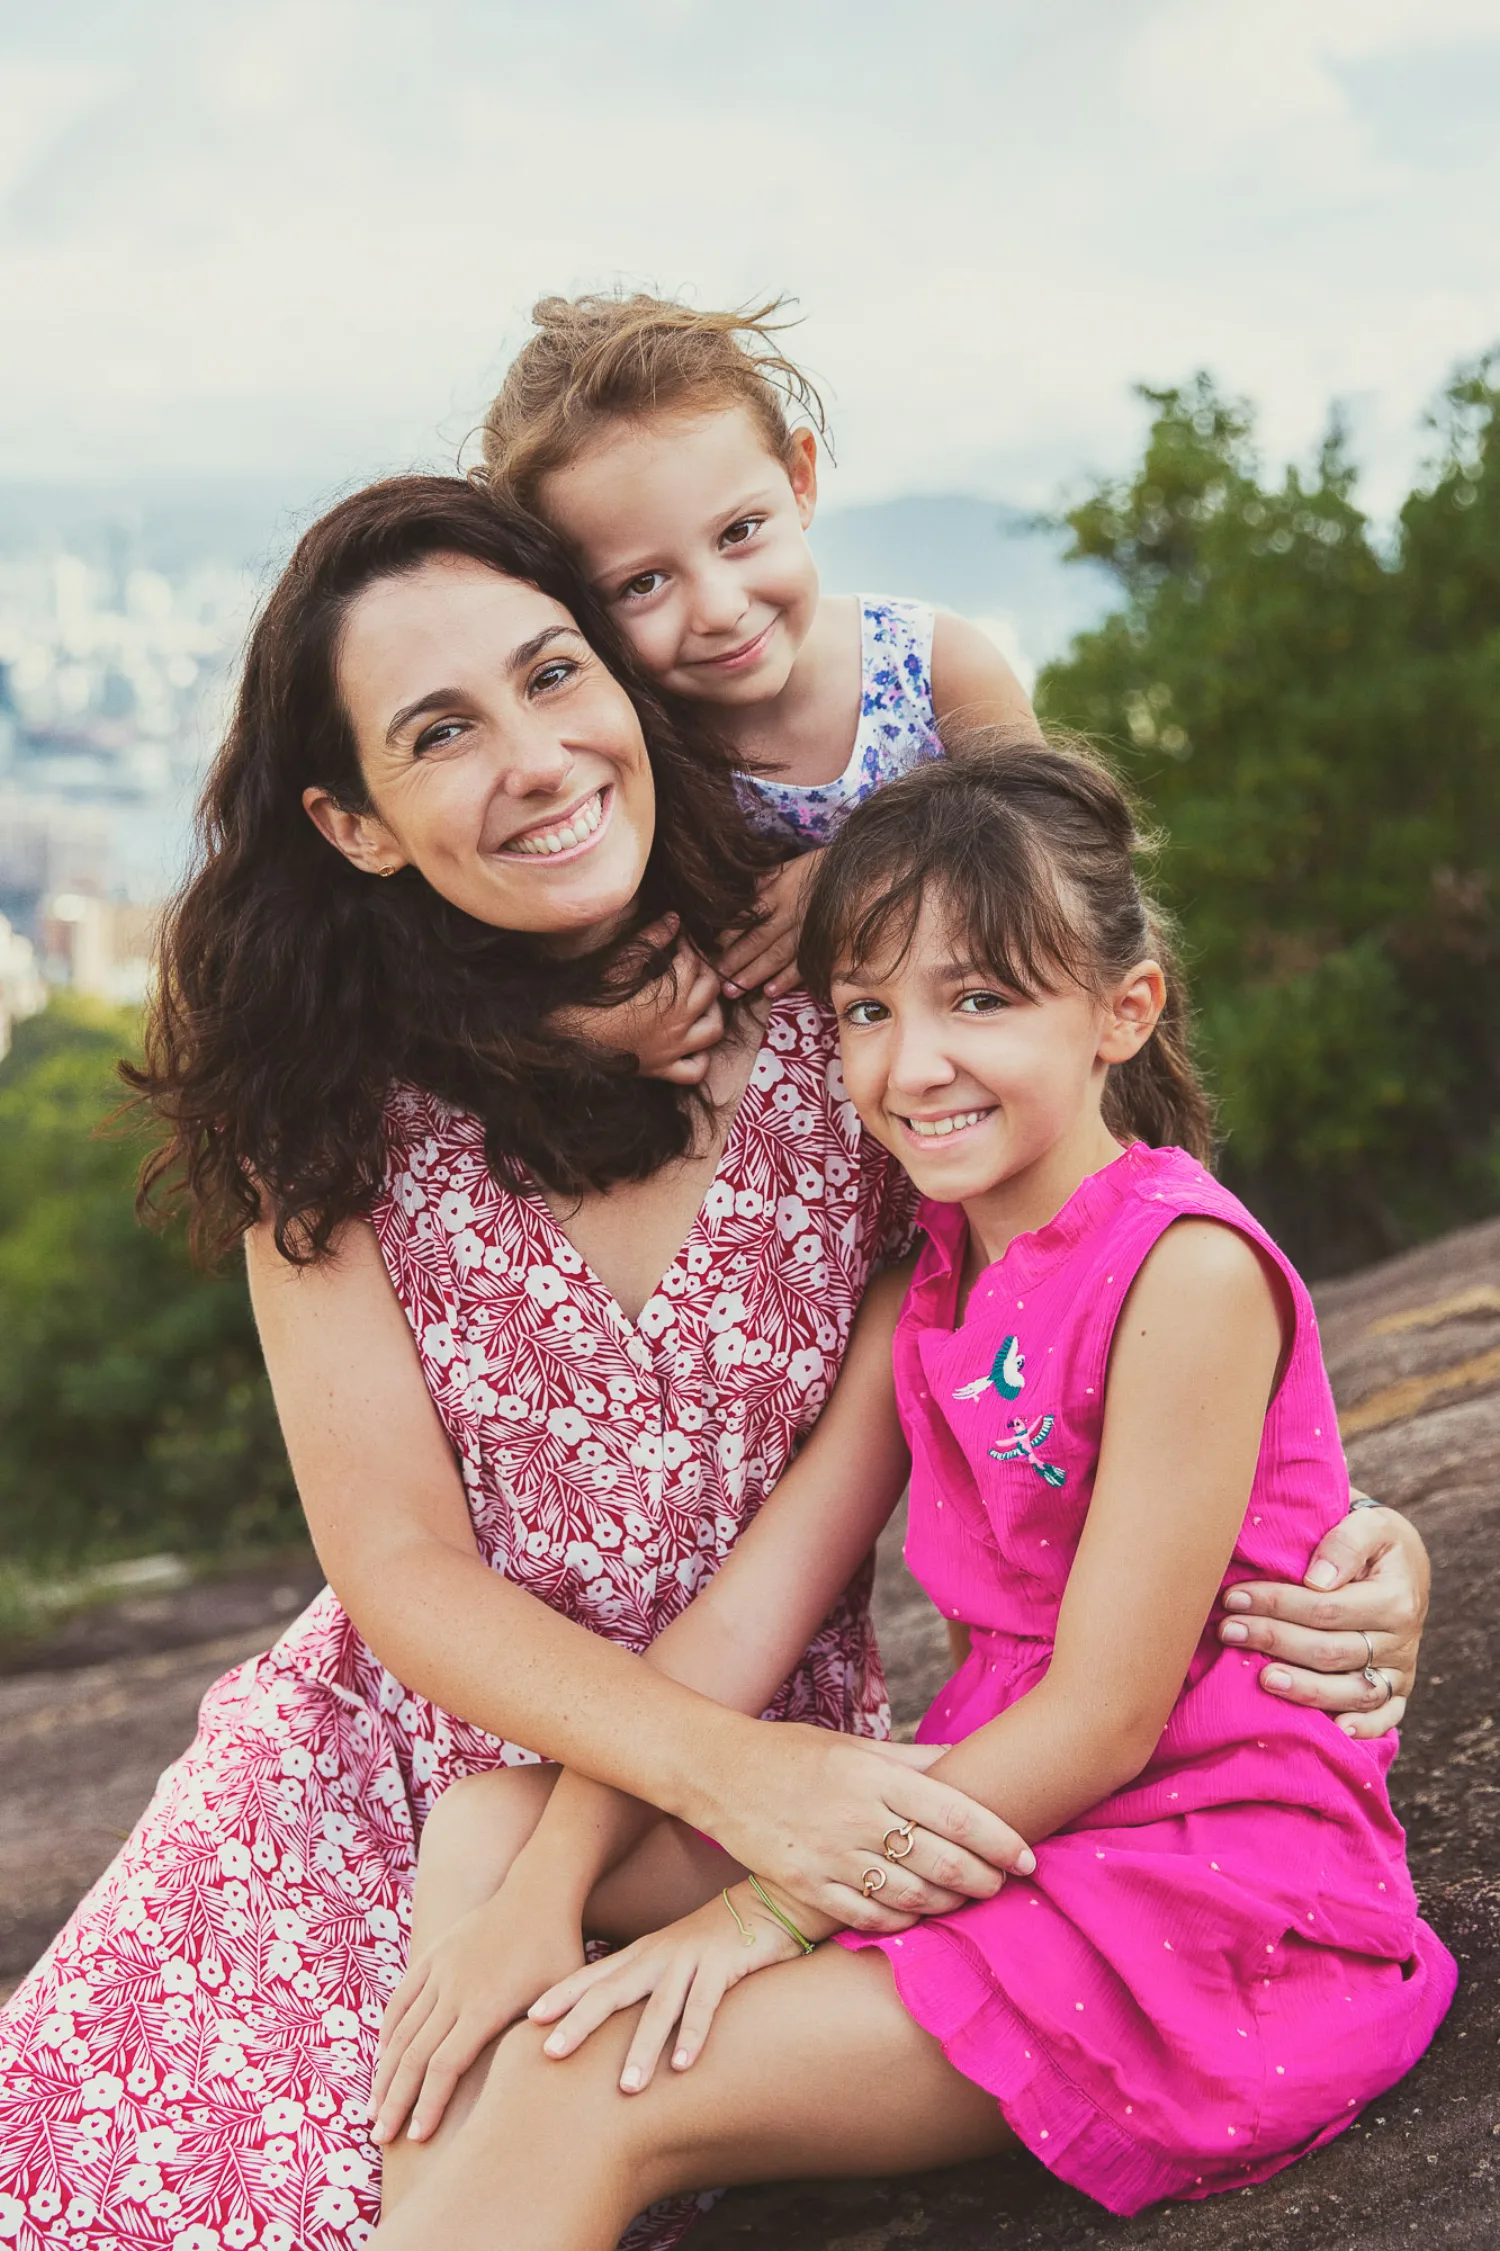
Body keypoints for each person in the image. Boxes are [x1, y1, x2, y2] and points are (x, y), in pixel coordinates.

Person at [0, 481, 1427, 2251]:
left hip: (771, 1780)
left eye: (551, 673)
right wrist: (621, 1835)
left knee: (536, 2110)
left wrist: (1365, 1540)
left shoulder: (857, 1000)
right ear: (353, 824)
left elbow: (1112, 1290)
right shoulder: (333, 1106)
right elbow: (396, 1569)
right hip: (443, 1773)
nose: (531, 756)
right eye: (442, 732)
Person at [361, 743, 1455, 2251]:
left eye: (981, 998)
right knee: (497, 1827)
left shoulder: (1181, 1273)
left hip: (1188, 1883)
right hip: (1000, 1805)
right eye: (869, 1009)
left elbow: (1107, 1718)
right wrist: (553, 1891)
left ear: (1120, 1012)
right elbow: (748, 1609)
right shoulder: (929, 1288)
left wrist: (758, 1914)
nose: (909, 1062)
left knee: (586, 2074)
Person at [478, 292, 1035, 1070]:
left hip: (976, 1087)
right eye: (641, 583)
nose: (719, 608)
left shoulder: (937, 667)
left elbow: (1062, 848)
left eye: (740, 533)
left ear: (800, 479)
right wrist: (606, 1035)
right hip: (793, 1149)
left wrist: (852, 875)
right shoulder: (631, 748)